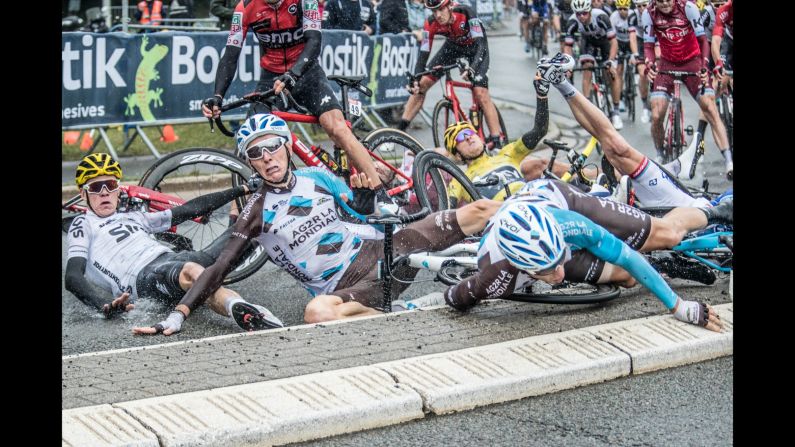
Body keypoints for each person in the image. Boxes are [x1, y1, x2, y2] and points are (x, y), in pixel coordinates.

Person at [135, 114, 502, 335]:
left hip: (383, 251)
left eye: (273, 147)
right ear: (250, 161)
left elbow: (364, 214)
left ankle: (538, 222)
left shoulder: (316, 176)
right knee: (316, 314)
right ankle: (415, 311)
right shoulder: (256, 211)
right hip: (350, 290)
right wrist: (178, 315)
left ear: (287, 146)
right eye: (255, 154)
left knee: (479, 210)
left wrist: (365, 202)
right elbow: (218, 268)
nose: (267, 158)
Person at [65, 153, 283, 334]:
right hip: (144, 276)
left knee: (259, 220)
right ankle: (241, 308)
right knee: (191, 272)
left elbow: (187, 210)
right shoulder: (83, 223)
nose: (104, 192)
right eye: (96, 188)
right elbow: (73, 276)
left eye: (109, 185)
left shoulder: (133, 216)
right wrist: (102, 306)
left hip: (176, 258)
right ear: (83, 194)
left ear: (118, 189)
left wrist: (242, 190)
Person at [201, 0, 388, 211]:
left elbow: (314, 41)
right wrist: (217, 95)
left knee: (336, 128)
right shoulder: (244, 8)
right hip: (272, 77)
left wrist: (295, 73)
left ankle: (382, 196)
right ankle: (238, 217)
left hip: (307, 73)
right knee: (252, 142)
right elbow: (231, 54)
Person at [442, 197, 724, 332]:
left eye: (557, 261)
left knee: (668, 235)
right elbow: (456, 297)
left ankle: (716, 210)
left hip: (568, 206)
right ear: (523, 268)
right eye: (548, 271)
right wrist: (453, 297)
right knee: (627, 278)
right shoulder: (495, 277)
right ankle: (663, 266)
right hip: (538, 246)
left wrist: (678, 306)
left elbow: (625, 254)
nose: (560, 273)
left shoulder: (570, 227)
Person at [537, 52, 727, 209]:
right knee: (613, 146)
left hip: (685, 207)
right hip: (684, 202)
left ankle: (560, 82)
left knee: (613, 146)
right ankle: (560, 82)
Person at [641, 0, 733, 180]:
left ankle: (729, 160)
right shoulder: (649, 13)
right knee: (657, 112)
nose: (665, 4)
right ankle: (660, 154)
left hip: (692, 63)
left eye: (668, 0)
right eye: (660, 1)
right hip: (666, 64)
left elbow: (703, 41)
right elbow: (648, 46)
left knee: (710, 107)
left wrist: (706, 66)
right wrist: (649, 63)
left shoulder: (688, 8)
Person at [397, 0, 507, 149]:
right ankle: (398, 132)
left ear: (449, 6)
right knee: (422, 84)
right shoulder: (430, 23)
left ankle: (497, 140)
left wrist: (472, 68)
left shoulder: (465, 12)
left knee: (480, 92)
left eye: (440, 10)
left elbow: (481, 45)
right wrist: (415, 80)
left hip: (476, 49)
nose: (437, 15)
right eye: (433, 11)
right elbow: (423, 54)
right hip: (453, 48)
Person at [562, 0, 624, 130]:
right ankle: (588, 108)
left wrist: (611, 61)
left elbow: (613, 42)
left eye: (584, 13)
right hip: (588, 44)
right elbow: (568, 46)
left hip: (605, 43)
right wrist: (568, 64)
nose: (581, 17)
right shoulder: (572, 22)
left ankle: (616, 111)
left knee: (612, 73)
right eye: (578, 14)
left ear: (589, 11)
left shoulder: (601, 17)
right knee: (587, 68)